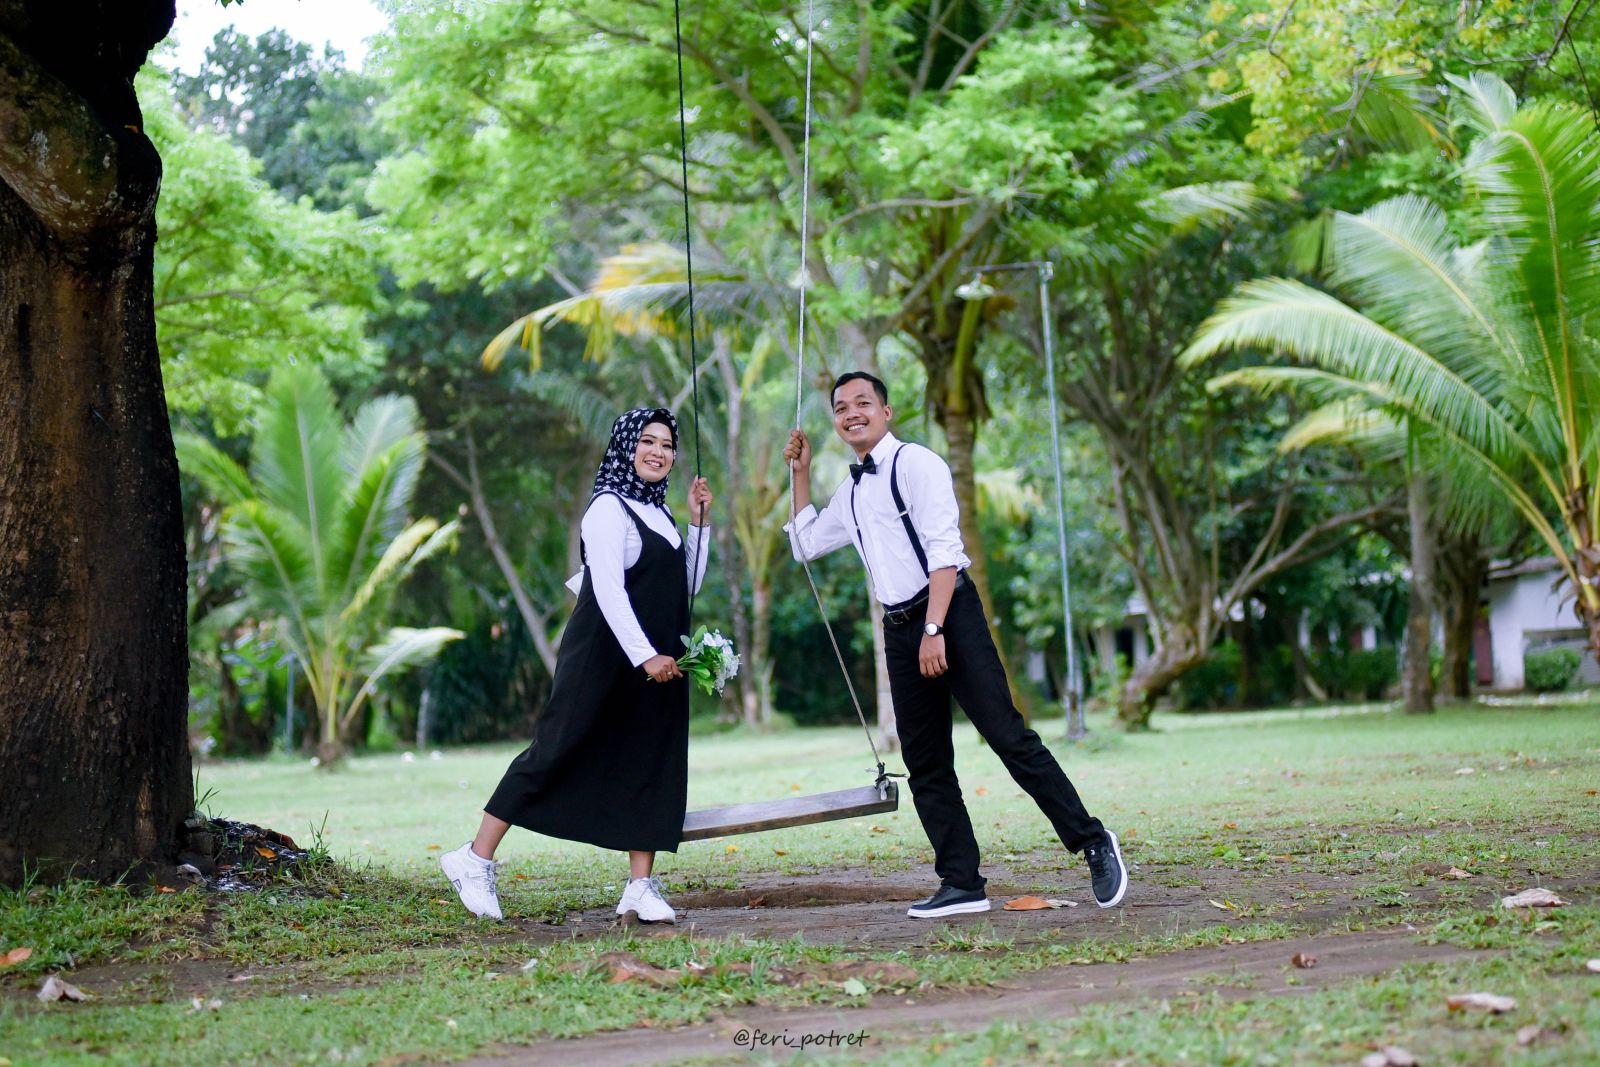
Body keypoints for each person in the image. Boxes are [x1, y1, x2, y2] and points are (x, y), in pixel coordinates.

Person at [783, 372, 1126, 918]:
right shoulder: (850, 493)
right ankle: (962, 882)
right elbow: (805, 545)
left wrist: (934, 630)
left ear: (887, 412)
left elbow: (945, 551)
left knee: (1008, 737)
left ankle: (1092, 841)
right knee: (926, 763)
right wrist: (799, 474)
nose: (852, 413)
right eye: (842, 407)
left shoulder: (918, 464)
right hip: (898, 626)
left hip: (948, 613)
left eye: (863, 403)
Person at [441, 407, 712, 923]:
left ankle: (639, 887)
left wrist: (699, 522)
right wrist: (645, 656)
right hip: (603, 657)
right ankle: (473, 859)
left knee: (650, 759)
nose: (659, 452)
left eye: (667, 445)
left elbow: (688, 585)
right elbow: (608, 591)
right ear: (626, 446)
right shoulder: (608, 508)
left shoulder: (660, 512)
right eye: (648, 441)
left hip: (658, 661)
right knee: (555, 750)